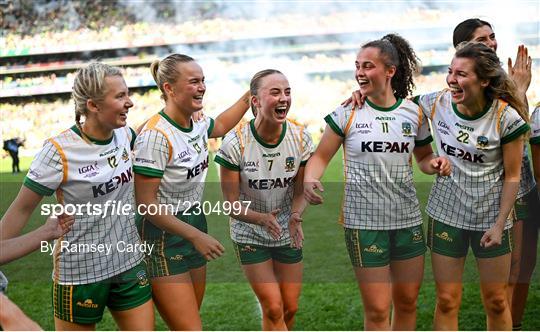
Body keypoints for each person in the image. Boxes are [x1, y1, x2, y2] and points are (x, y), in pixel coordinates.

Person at [304, 34, 450, 330]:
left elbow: (423, 158)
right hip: (364, 224)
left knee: (408, 302)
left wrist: (433, 164)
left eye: (368, 66)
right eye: (357, 66)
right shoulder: (348, 112)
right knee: (378, 309)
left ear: (390, 71)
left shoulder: (414, 113)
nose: (359, 72)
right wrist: (309, 179)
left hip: (407, 220)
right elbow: (320, 157)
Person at [0, 62, 155, 330]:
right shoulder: (58, 151)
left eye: (127, 94)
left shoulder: (125, 135)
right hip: (80, 271)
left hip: (128, 261)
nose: (129, 102)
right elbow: (21, 209)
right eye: (120, 96)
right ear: (93, 105)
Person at [412, 42, 529, 330]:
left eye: (461, 74)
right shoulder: (437, 102)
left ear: (484, 80)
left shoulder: (506, 118)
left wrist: (501, 223)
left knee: (497, 300)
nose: (452, 80)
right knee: (447, 299)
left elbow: (513, 176)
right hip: (447, 215)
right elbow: (397, 105)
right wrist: (360, 96)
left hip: (491, 219)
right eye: (450, 72)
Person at [133, 53, 250, 330]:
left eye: (203, 81)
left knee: (188, 322)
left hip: (194, 221)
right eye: (194, 82)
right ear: (169, 89)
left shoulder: (196, 122)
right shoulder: (156, 136)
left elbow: (219, 126)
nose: (202, 87)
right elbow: (146, 204)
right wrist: (196, 236)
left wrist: (250, 96)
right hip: (161, 234)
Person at [453, 18, 536, 330]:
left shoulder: (502, 81)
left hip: (521, 183)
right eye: (482, 39)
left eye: (492, 37)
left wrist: (519, 89)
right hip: (488, 192)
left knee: (522, 266)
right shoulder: (467, 88)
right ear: (463, 49)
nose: (492, 43)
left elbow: (521, 130)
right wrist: (519, 90)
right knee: (500, 277)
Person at [215, 69, 313, 330]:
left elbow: (301, 190)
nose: (284, 98)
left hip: (286, 230)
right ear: (255, 102)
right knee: (273, 307)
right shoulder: (235, 143)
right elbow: (230, 205)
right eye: (275, 92)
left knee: (290, 308)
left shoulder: (300, 136)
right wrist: (260, 218)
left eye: (287, 91)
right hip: (249, 231)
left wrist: (295, 215)